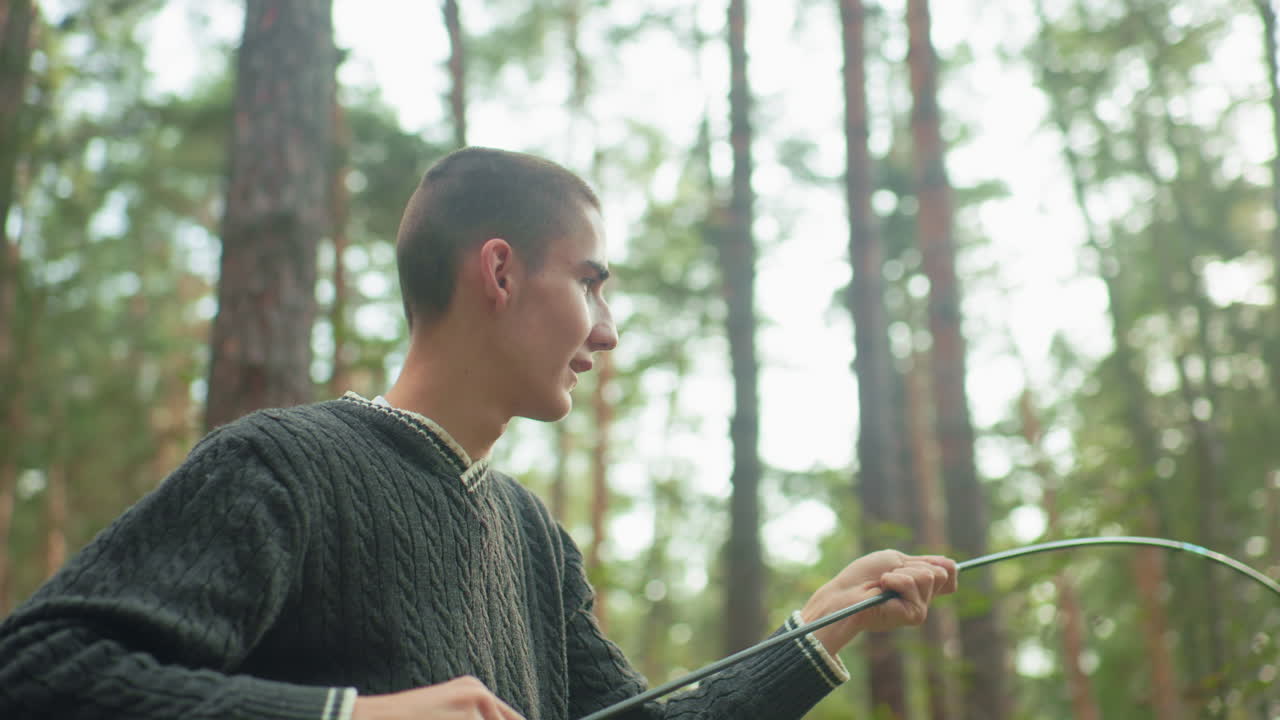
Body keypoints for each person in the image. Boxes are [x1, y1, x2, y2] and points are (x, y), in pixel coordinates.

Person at [0, 147, 957, 720]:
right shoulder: (280, 467)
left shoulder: (535, 539)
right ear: (499, 273)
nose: (608, 329)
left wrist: (819, 628)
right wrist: (349, 718)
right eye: (590, 281)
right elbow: (39, 669)